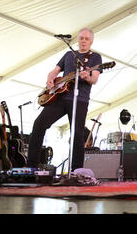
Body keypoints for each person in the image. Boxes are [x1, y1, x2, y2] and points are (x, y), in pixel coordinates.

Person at [28, 28, 102, 171]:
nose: (84, 41)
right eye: (81, 38)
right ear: (78, 39)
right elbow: (54, 71)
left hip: (79, 99)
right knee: (39, 124)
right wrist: (50, 79)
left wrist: (87, 77)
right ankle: (31, 167)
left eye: (87, 38)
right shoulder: (68, 54)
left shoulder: (95, 58)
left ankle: (76, 171)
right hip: (60, 96)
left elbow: (94, 79)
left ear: (91, 41)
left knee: (77, 133)